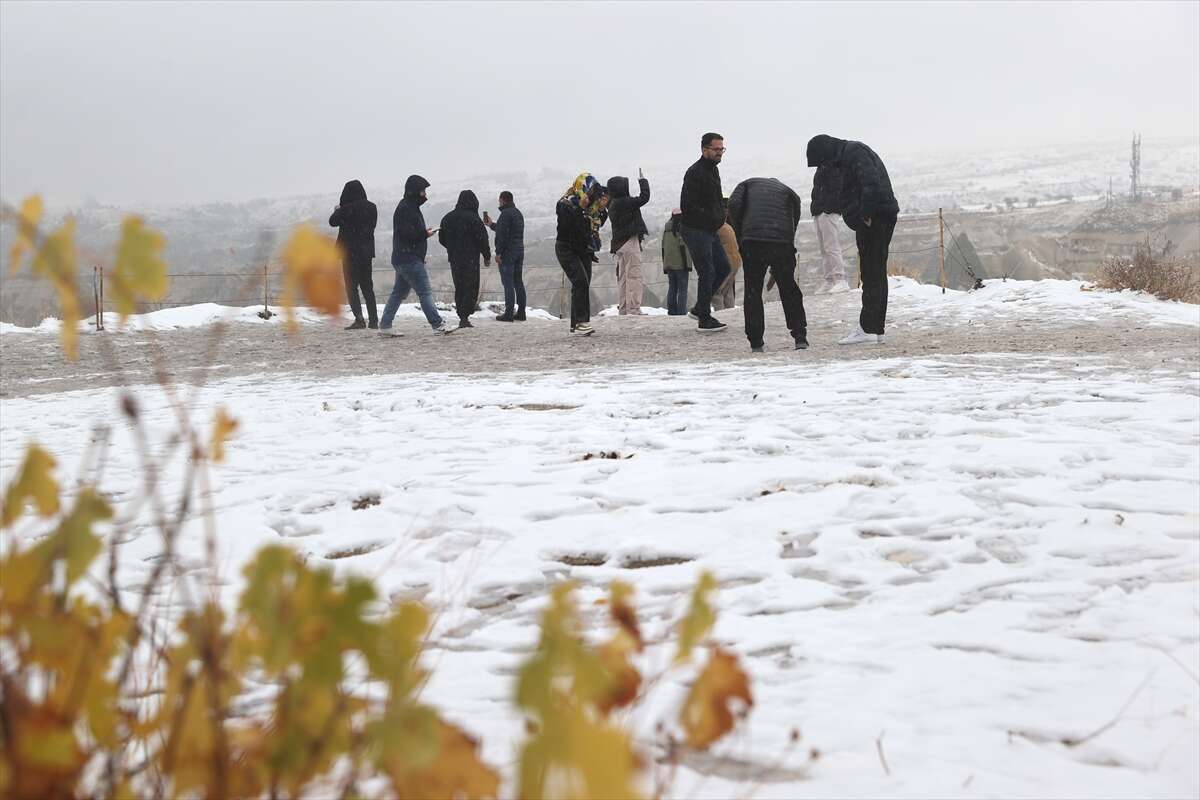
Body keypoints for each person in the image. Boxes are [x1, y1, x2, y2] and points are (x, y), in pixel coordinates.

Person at [806, 134, 899, 345]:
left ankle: (868, 329)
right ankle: (874, 328)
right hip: (879, 216)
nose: (825, 166)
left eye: (822, 161)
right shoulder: (850, 153)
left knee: (872, 273)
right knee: (875, 273)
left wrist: (866, 214)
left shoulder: (853, 153)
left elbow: (870, 182)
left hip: (875, 219)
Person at [728, 177, 808, 352]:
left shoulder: (746, 184)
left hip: (752, 241)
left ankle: (756, 342)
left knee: (753, 290)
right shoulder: (786, 188)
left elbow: (733, 204)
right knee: (788, 288)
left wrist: (741, 232)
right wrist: (788, 238)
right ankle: (800, 336)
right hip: (781, 242)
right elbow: (797, 206)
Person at [380, 175, 449, 335]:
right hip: (409, 259)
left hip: (403, 257)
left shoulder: (407, 207)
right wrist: (424, 234)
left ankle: (385, 325)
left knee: (398, 294)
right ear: (415, 192)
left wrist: (424, 233)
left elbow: (407, 233)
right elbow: (407, 235)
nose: (425, 194)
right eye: (423, 191)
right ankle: (437, 324)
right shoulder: (407, 208)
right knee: (424, 292)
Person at [679, 132, 732, 333]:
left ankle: (700, 307)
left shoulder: (713, 170)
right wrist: (712, 218)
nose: (720, 153)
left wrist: (720, 216)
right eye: (716, 149)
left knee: (723, 268)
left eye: (722, 149)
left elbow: (716, 199)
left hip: (709, 229)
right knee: (708, 272)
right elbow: (688, 205)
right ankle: (704, 318)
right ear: (704, 149)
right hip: (695, 229)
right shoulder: (695, 172)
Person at [555, 173, 604, 335]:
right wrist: (580, 209)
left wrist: (602, 211)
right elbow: (567, 227)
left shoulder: (590, 206)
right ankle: (583, 321)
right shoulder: (565, 204)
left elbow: (591, 226)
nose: (590, 196)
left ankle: (576, 322)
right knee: (580, 281)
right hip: (566, 248)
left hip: (582, 249)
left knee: (582, 284)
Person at [328, 179, 378, 329]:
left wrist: (338, 210)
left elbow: (332, 222)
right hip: (366, 252)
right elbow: (372, 226)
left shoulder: (345, 209)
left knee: (351, 287)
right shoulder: (372, 207)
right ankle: (374, 320)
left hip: (349, 253)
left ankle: (359, 319)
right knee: (367, 287)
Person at [438, 190, 491, 329]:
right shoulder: (474, 219)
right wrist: (486, 256)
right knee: (471, 286)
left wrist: (452, 247)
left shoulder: (447, 218)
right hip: (470, 258)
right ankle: (465, 315)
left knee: (459, 286)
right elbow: (483, 240)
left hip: (455, 258)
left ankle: (462, 313)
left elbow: (442, 238)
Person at [606, 170, 651, 315]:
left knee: (623, 278)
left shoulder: (612, 203)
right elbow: (644, 198)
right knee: (634, 276)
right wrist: (643, 181)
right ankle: (633, 308)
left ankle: (624, 308)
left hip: (619, 245)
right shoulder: (624, 202)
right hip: (629, 242)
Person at [484, 191, 525, 321]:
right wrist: (491, 224)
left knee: (508, 283)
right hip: (519, 250)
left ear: (502, 200)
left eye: (499, 201)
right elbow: (508, 231)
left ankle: (508, 313)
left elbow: (502, 235)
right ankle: (522, 312)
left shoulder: (505, 214)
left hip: (508, 253)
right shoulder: (518, 213)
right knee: (518, 282)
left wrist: (498, 253)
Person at [810, 161, 850, 294]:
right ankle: (829, 280)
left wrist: (827, 206)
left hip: (828, 210)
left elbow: (836, 189)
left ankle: (840, 279)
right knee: (824, 248)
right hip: (819, 210)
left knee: (831, 246)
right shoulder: (821, 167)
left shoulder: (834, 166)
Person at [661, 209, 691, 315]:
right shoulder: (681, 229)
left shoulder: (666, 231)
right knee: (682, 290)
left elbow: (663, 248)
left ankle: (672, 311)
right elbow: (684, 248)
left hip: (669, 264)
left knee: (672, 288)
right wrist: (688, 265)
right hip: (681, 264)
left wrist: (665, 265)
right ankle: (681, 311)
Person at [713, 198, 741, 310]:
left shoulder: (717, 228)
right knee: (727, 291)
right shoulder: (728, 227)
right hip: (736, 261)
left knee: (716, 292)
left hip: (727, 262)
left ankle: (720, 317)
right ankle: (730, 314)